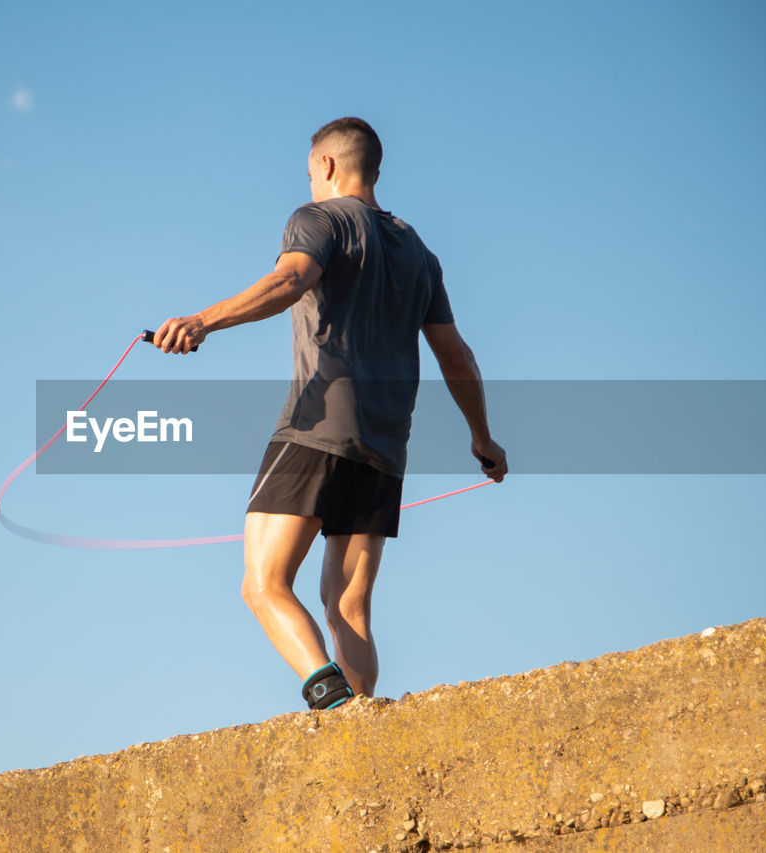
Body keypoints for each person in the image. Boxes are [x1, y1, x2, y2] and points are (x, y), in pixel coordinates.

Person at [151, 117, 507, 710]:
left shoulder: (318, 219)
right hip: (387, 445)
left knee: (263, 584)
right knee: (348, 608)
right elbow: (457, 356)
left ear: (327, 166)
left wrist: (201, 321)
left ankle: (335, 704)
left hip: (316, 429)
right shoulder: (421, 255)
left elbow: (290, 279)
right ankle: (366, 727)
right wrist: (483, 438)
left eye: (310, 170)